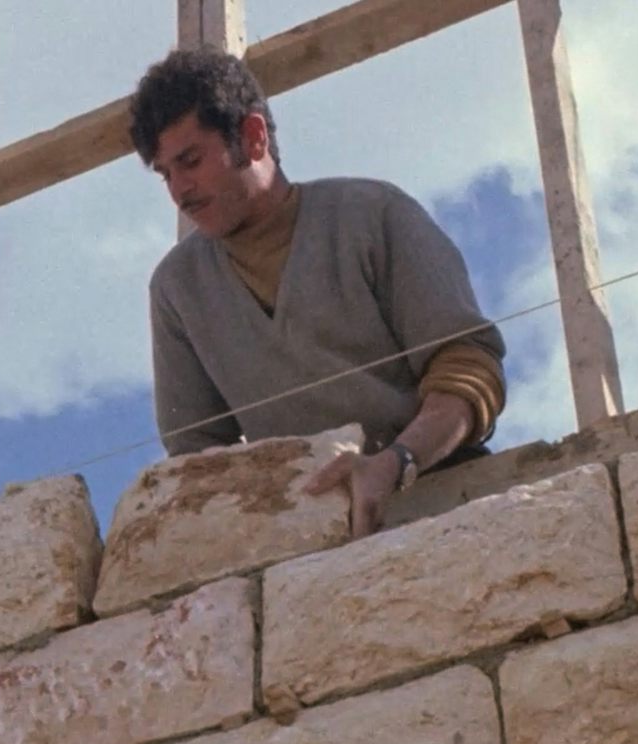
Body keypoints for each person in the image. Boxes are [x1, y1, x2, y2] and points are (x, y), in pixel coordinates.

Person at [130, 46, 507, 537]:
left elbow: (469, 366)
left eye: (191, 160)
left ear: (253, 136)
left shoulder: (372, 214)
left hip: (448, 505)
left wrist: (394, 464)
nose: (179, 189)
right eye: (166, 174)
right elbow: (199, 463)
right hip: (308, 545)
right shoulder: (177, 289)